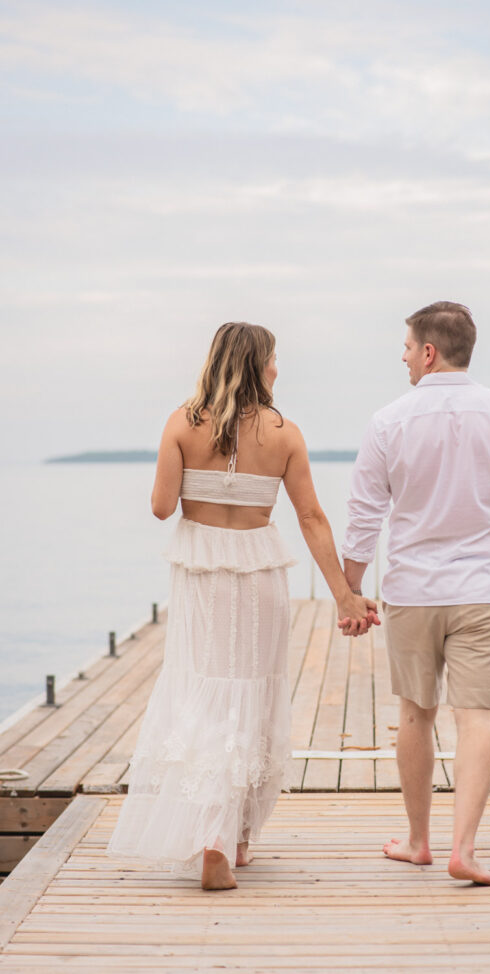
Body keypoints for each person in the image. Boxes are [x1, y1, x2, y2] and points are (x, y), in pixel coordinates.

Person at [106, 321, 378, 891]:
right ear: (258, 364)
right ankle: (233, 839)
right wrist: (345, 595)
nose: (279, 368)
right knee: (250, 695)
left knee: (204, 692)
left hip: (201, 576)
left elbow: (161, 507)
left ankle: (216, 840)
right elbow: (311, 519)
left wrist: (195, 480)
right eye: (274, 359)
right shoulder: (285, 433)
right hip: (259, 575)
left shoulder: (181, 422)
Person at [340, 301, 490, 885]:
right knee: (477, 717)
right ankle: (465, 848)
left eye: (408, 348)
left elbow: (364, 515)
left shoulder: (389, 421)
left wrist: (350, 592)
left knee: (415, 713)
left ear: (430, 352)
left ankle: (418, 842)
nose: (404, 358)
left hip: (411, 591)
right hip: (482, 591)